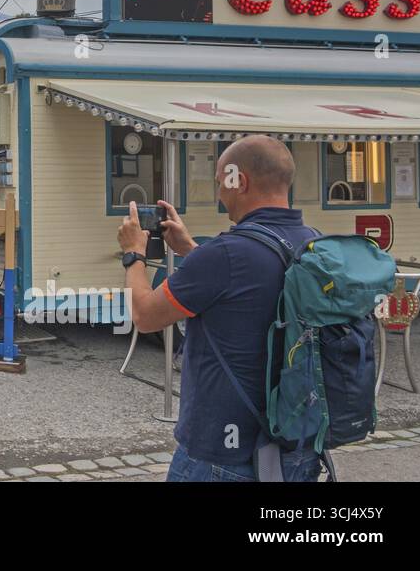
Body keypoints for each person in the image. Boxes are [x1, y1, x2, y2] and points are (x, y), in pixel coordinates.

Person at [117, 134, 322, 483]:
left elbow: (145, 316)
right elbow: (246, 288)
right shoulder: (313, 243)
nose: (218, 193)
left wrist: (133, 253)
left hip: (222, 455)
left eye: (220, 183)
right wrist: (191, 249)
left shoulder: (225, 254)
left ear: (238, 180)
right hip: (296, 445)